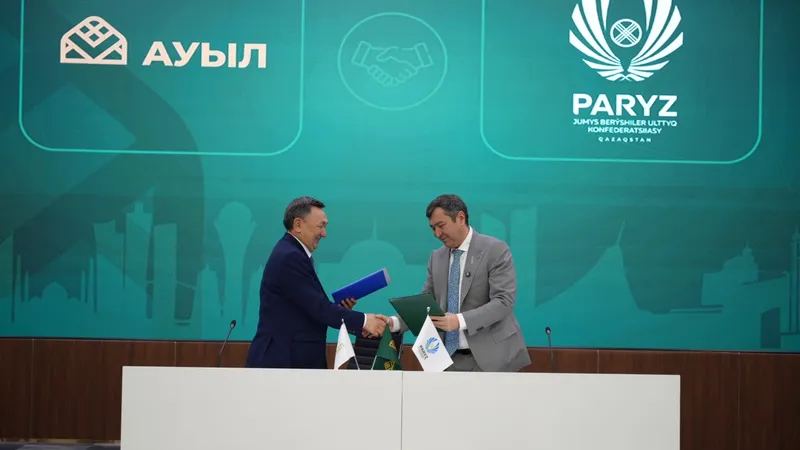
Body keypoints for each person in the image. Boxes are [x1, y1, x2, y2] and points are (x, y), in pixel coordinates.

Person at [387, 194, 531, 372]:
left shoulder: (495, 250)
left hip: (493, 359)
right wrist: (394, 323)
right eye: (433, 228)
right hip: (447, 360)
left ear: (461, 218)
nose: (437, 234)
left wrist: (458, 321)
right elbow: (426, 304)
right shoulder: (437, 257)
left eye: (441, 226)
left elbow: (503, 302)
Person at [246, 196, 388, 369]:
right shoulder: (290, 257)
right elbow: (318, 308)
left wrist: (342, 311)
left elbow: (307, 306)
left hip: (292, 361)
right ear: (298, 225)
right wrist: (365, 321)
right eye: (321, 226)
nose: (324, 233)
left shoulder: (292, 253)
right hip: (283, 362)